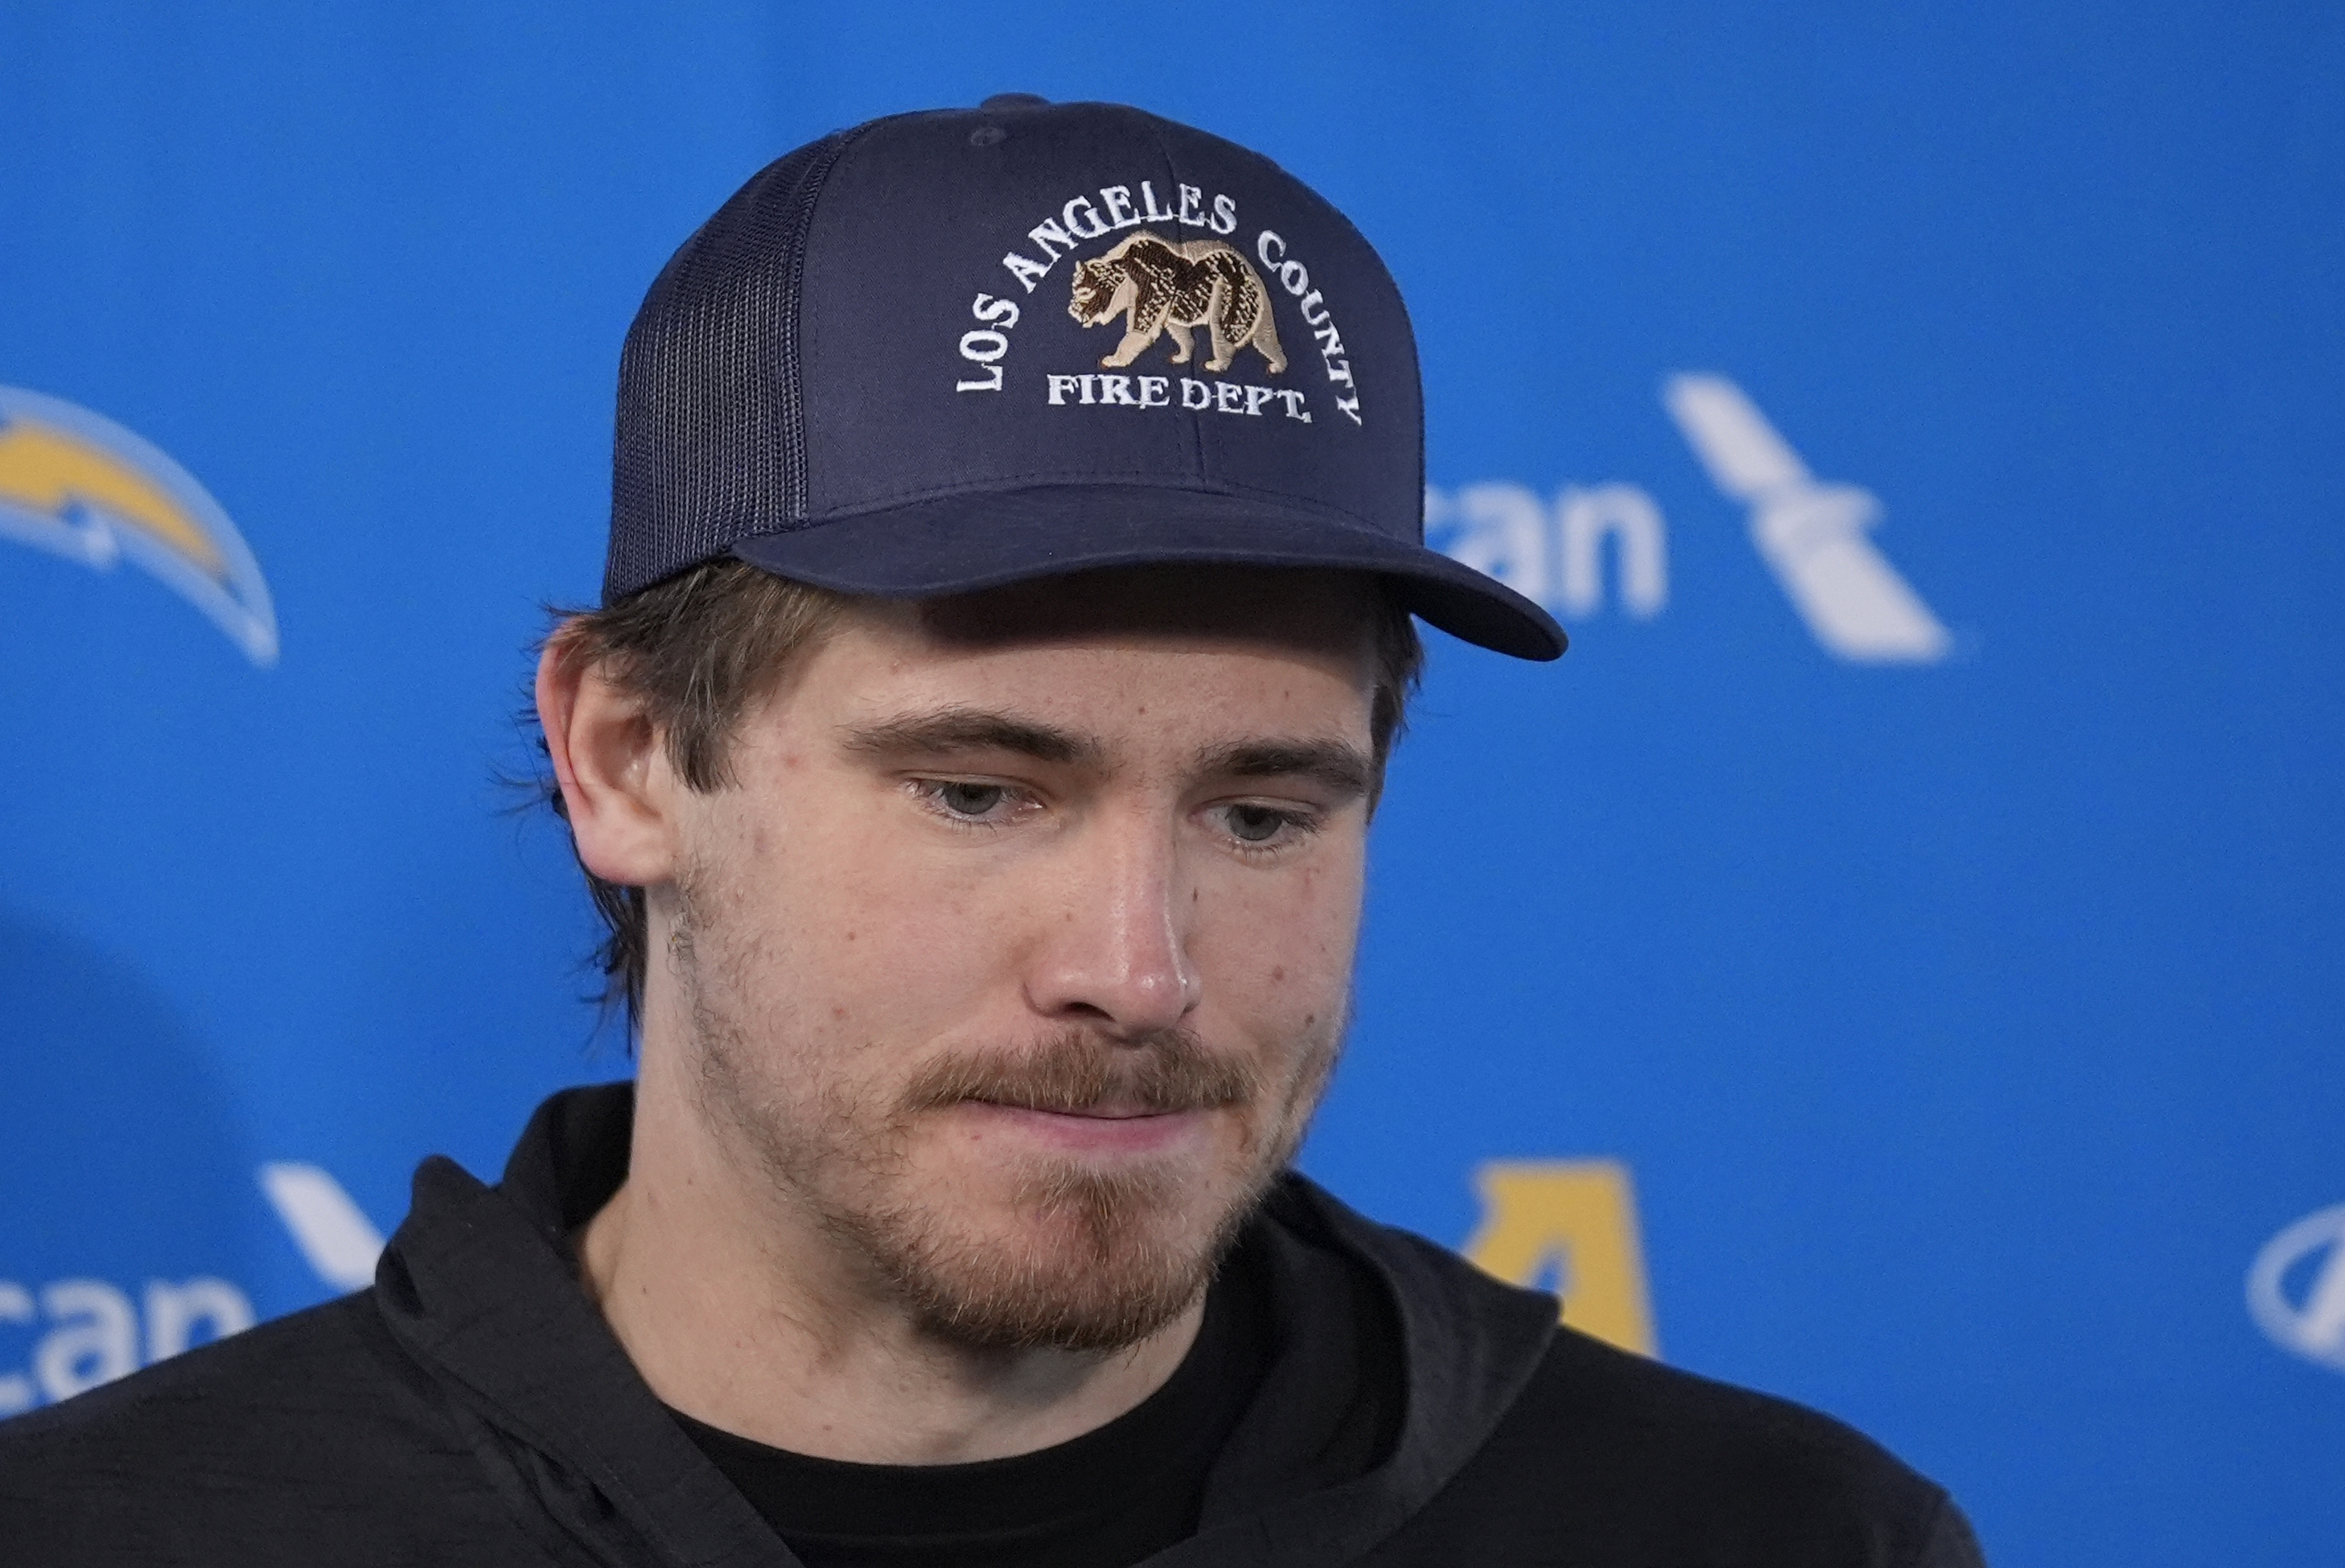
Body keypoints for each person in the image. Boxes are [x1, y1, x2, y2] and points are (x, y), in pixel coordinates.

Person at [0, 97, 1985, 1567]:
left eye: (1265, 806)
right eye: (979, 790)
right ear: (623, 757)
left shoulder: (1769, 1538)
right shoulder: (123, 1538)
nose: (1139, 967)